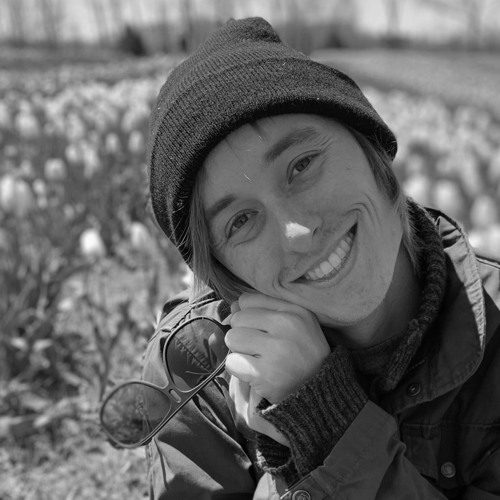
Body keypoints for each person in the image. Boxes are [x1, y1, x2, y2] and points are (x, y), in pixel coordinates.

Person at [143, 16, 500, 499]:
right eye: (240, 221)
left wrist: (327, 427)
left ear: (373, 149)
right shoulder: (196, 364)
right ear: (223, 272)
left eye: (302, 165)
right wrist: (282, 463)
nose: (299, 233)